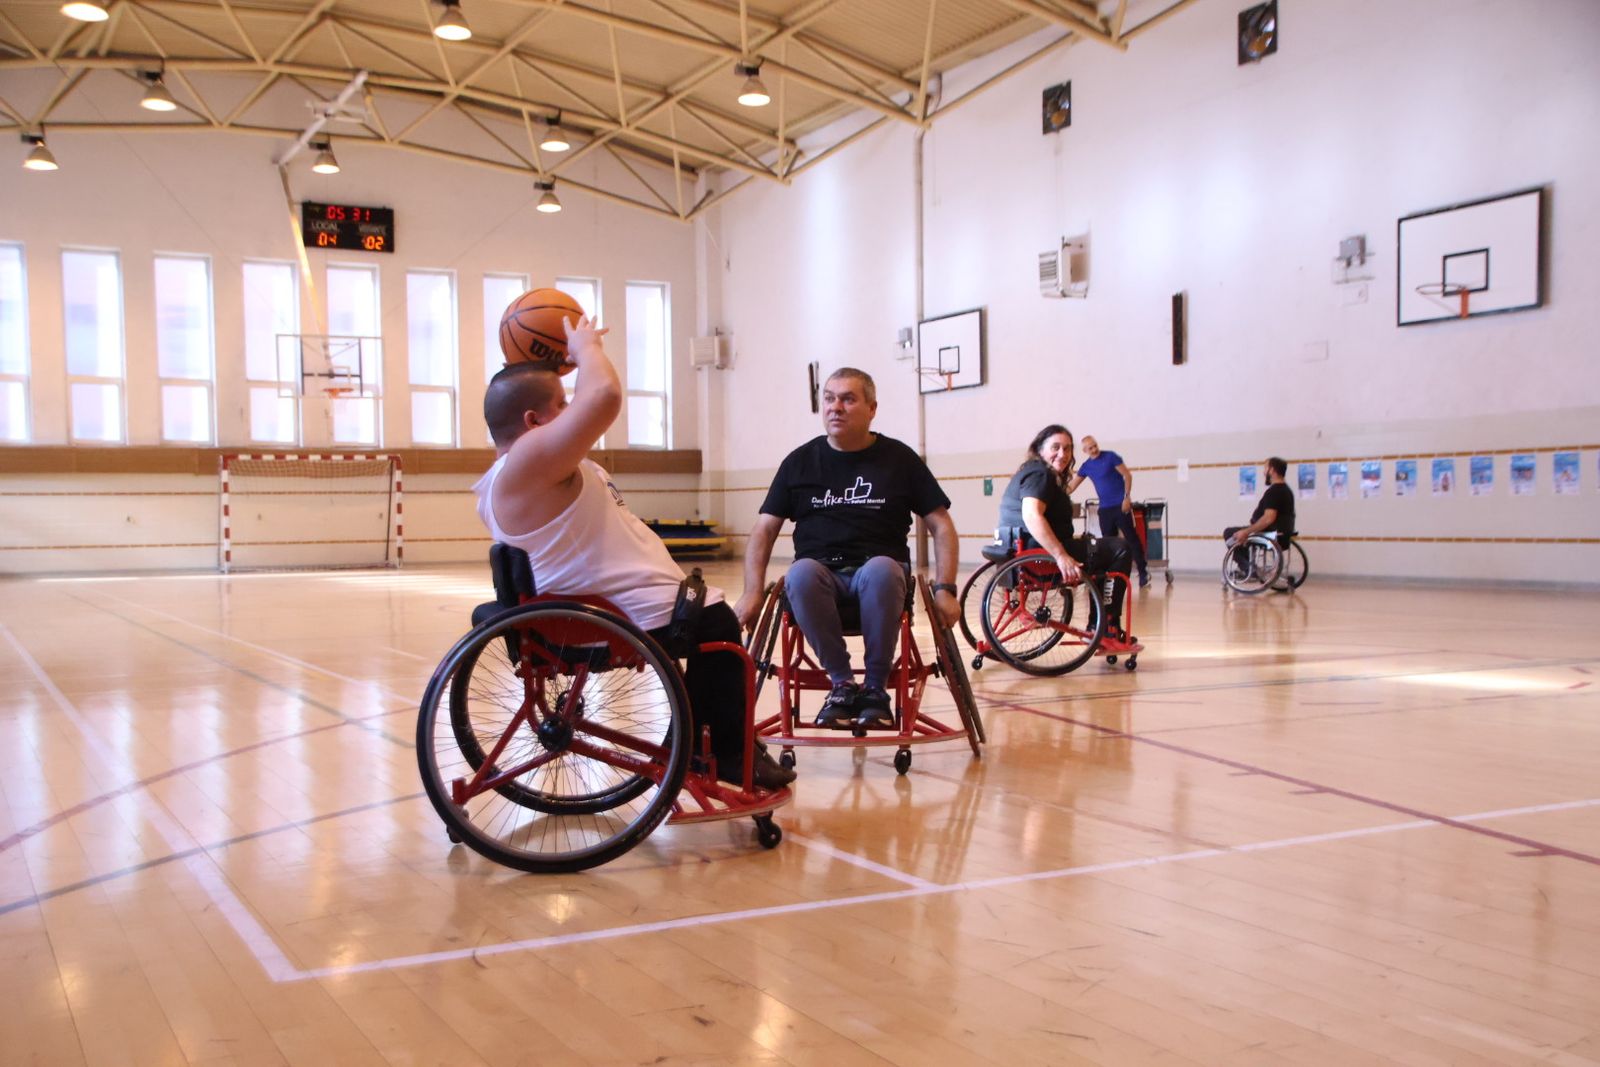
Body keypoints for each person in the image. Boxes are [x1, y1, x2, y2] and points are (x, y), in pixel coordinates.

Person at [474, 316, 794, 790]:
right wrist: (584, 349)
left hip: (604, 610)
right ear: (533, 423)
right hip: (605, 619)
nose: (573, 408)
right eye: (562, 403)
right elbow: (602, 397)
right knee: (717, 623)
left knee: (708, 613)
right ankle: (722, 751)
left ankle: (697, 740)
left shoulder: (511, 478)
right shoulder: (527, 464)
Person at [733, 368, 961, 730]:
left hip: (880, 572)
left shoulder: (899, 459)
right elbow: (764, 530)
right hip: (820, 574)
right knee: (801, 573)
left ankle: (874, 688)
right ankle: (841, 683)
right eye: (829, 398)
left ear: (872, 408)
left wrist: (945, 588)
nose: (835, 407)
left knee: (882, 569)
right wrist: (751, 592)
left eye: (848, 399)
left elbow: (941, 524)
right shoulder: (799, 462)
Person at [998, 424, 1133, 640]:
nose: (1063, 454)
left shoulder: (1032, 471)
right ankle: (1106, 625)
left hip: (1025, 550)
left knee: (1098, 550)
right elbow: (1032, 515)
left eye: (1068, 449)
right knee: (1120, 548)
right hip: (1041, 555)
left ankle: (1097, 623)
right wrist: (1061, 556)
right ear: (1040, 450)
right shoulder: (1041, 474)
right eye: (1056, 447)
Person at [1068, 435, 1150, 587]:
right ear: (1085, 451)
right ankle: (1112, 576)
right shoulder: (1087, 466)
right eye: (1090, 448)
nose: (1094, 449)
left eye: (1095, 445)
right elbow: (1072, 486)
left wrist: (1126, 497)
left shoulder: (1111, 457)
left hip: (1120, 506)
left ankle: (1143, 571)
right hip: (1105, 510)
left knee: (1131, 538)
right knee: (1109, 543)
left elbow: (1127, 475)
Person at [1224, 456, 1295, 576]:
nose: (1263, 472)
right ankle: (1248, 567)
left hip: (1270, 535)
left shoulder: (1274, 491)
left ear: (1271, 470)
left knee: (1230, 533)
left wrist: (1246, 531)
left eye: (1265, 468)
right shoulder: (1286, 490)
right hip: (1282, 535)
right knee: (1240, 533)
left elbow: (1268, 518)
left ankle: (1248, 570)